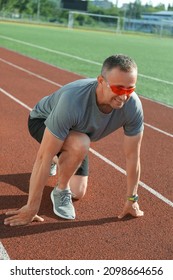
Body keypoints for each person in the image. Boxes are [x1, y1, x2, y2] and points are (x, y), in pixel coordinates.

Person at [4, 54, 144, 226]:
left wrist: (132, 198)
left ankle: (60, 157)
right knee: (80, 143)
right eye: (118, 89)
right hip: (42, 121)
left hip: (78, 132)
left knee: (78, 192)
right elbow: (43, 158)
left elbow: (132, 157)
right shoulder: (73, 100)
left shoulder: (133, 107)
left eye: (130, 89)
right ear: (101, 81)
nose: (124, 97)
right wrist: (32, 207)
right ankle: (61, 189)